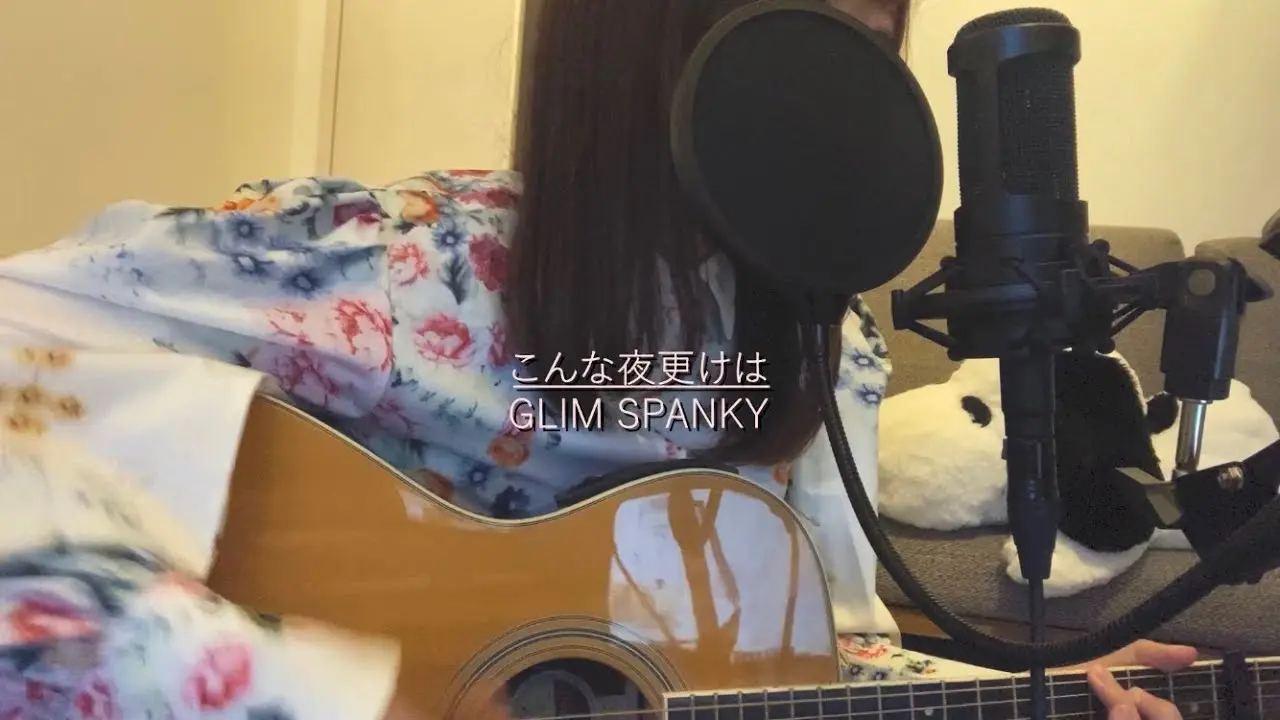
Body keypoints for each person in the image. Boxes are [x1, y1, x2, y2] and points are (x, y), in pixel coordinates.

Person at [0, 0, 1196, 718]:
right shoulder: (418, 268)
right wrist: (334, 696)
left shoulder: (829, 351)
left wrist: (1032, 692)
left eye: (868, 51)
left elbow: (806, 662)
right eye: (802, 51)